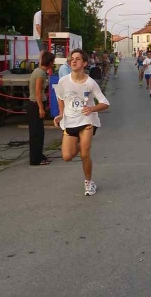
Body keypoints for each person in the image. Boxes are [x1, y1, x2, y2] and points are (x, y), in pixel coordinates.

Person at [53, 49, 110, 196]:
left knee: (85, 154)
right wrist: (60, 114)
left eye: (77, 59)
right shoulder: (63, 81)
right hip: (70, 121)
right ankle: (83, 144)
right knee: (67, 156)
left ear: (84, 63)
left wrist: (92, 108)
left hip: (87, 121)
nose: (73, 61)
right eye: (72, 58)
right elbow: (60, 97)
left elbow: (105, 103)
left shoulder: (90, 83)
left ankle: (89, 183)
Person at [28, 51, 55, 165]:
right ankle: (35, 159)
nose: (53, 64)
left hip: (36, 103)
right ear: (49, 62)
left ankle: (40, 155)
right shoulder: (41, 74)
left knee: (39, 132)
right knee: (36, 133)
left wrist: (42, 53)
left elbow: (41, 59)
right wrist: (41, 108)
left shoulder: (39, 70)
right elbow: (38, 92)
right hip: (36, 104)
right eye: (52, 62)